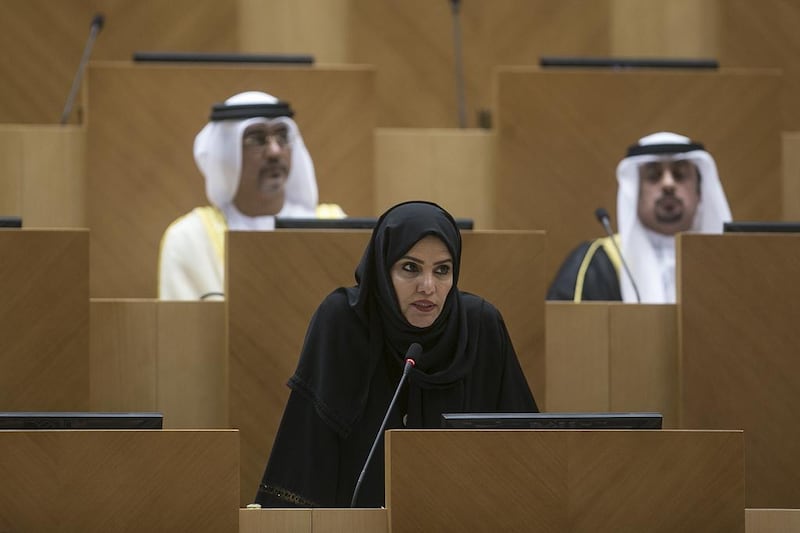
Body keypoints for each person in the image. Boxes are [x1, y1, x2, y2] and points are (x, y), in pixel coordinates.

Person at [253, 200, 538, 508]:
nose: (428, 287)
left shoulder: (480, 327)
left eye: (442, 270)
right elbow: (307, 452)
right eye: (410, 268)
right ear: (382, 269)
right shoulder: (344, 323)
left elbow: (524, 454)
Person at [158, 90, 344, 300]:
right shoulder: (190, 238)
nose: (274, 151)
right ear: (225, 155)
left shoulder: (333, 226)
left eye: (282, 137)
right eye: (257, 139)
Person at [547, 131, 732, 303]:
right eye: (654, 176)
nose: (668, 184)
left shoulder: (727, 265)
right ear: (634, 192)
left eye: (679, 175)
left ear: (699, 191)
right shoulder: (598, 263)